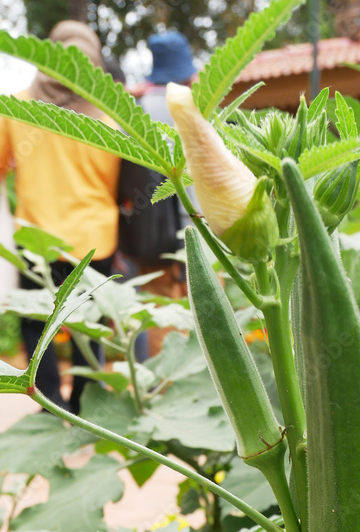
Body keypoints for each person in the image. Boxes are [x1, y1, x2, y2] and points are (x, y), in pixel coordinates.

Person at [0, 20, 121, 413]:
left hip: (36, 239)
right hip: (95, 240)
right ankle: (87, 408)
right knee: (88, 327)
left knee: (38, 323)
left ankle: (50, 405)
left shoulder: (18, 106)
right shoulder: (108, 116)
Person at [131, 30, 198, 355]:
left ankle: (163, 395)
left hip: (150, 241)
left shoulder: (137, 112)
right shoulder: (191, 108)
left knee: (159, 319)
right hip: (197, 232)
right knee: (206, 323)